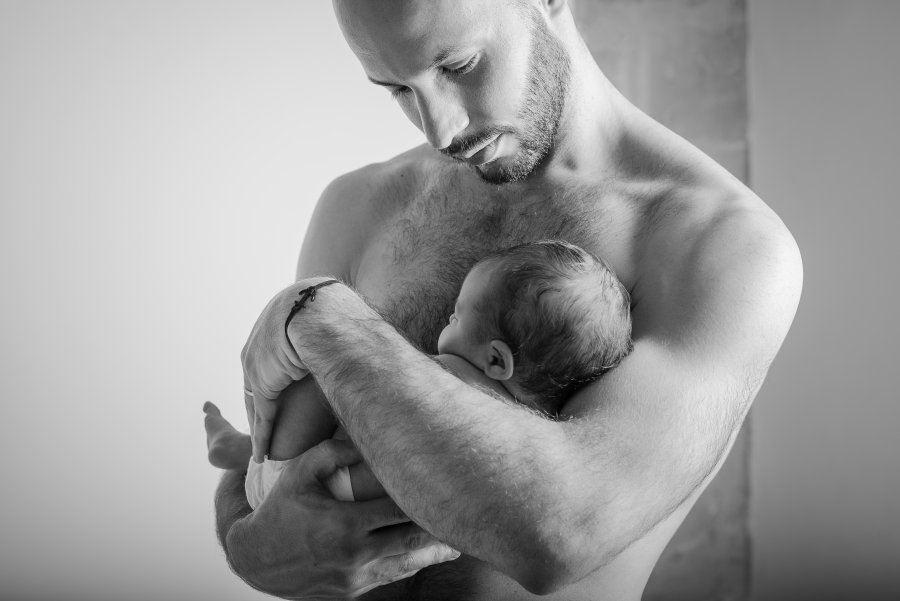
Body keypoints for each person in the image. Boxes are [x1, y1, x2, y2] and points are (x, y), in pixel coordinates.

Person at [216, 1, 803, 599]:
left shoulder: (721, 244)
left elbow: (560, 536)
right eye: (396, 89)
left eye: (457, 64)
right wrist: (247, 547)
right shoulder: (359, 205)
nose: (440, 130)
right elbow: (266, 470)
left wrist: (332, 322)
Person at [204, 239, 633, 507]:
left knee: (318, 369)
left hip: (317, 487)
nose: (448, 317)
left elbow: (407, 450)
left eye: (457, 317)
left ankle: (257, 460)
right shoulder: (524, 427)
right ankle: (250, 457)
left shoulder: (456, 381)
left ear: (497, 360)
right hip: (338, 485)